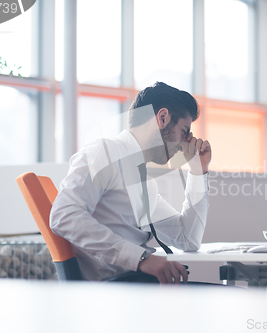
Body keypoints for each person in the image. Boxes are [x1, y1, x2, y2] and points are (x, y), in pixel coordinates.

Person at [50, 82, 211, 284]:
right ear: (162, 118)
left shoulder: (145, 183)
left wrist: (198, 172)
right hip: (119, 289)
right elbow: (64, 215)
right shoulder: (105, 152)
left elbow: (188, 240)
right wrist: (141, 259)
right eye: (184, 131)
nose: (187, 142)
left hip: (134, 285)